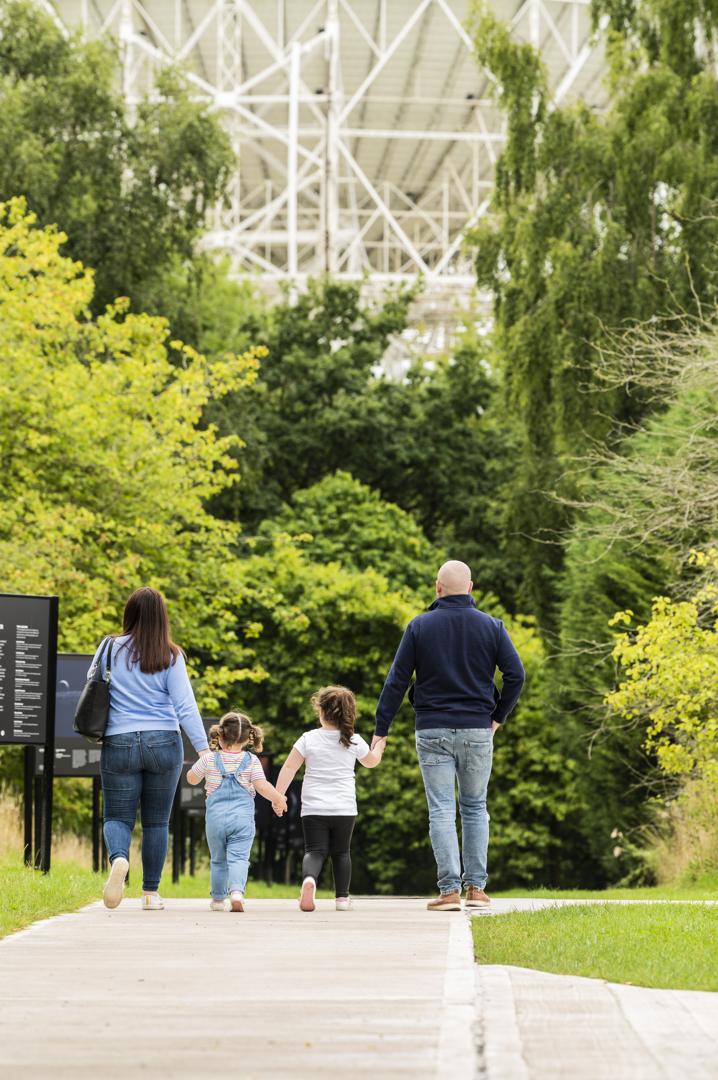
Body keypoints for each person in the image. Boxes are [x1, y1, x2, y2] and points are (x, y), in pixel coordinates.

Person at [372, 561, 525, 911]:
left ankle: (449, 891)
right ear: (470, 587)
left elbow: (396, 681)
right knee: (475, 807)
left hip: (432, 729)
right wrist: (498, 717)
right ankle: (476, 889)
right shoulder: (492, 626)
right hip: (477, 728)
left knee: (441, 809)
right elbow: (516, 675)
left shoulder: (419, 626)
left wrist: (381, 730)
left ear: (437, 588)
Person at [92, 586, 211, 911]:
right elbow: (185, 706)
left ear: (129, 614)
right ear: (162, 618)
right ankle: (150, 894)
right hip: (163, 742)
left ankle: (119, 859)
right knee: (157, 822)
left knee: (117, 816)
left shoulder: (109, 648)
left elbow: (93, 686)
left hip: (119, 740)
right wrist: (204, 750)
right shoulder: (171, 655)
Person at [276, 686, 385, 912]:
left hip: (314, 808)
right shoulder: (353, 739)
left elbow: (289, 767)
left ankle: (309, 880)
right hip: (344, 807)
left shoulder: (308, 738)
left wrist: (279, 796)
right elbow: (372, 762)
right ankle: (342, 899)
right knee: (341, 853)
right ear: (349, 713)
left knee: (314, 851)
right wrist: (380, 745)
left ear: (320, 711)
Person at [187, 712, 287, 912]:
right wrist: (278, 799)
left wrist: (201, 765)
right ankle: (236, 893)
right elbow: (262, 786)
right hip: (242, 819)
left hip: (215, 820)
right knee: (239, 857)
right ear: (248, 738)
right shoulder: (251, 761)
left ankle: (217, 900)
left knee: (218, 859)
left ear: (220, 735)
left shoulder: (209, 759)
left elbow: (191, 779)